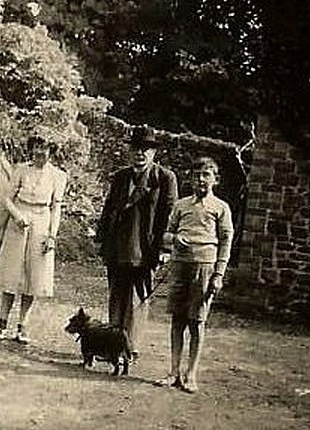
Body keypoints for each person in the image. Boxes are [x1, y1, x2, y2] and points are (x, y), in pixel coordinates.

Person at [95, 125, 178, 357]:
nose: (139, 153)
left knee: (136, 297)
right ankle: (113, 343)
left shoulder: (164, 178)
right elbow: (108, 208)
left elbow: (168, 215)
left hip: (144, 247)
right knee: (116, 294)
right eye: (135, 149)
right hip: (117, 245)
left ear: (154, 153)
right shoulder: (121, 176)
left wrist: (164, 248)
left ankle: (130, 346)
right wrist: (101, 239)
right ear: (129, 151)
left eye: (145, 149)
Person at [154, 157, 234, 393]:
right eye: (196, 175)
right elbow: (166, 234)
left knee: (197, 322)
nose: (200, 179)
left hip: (205, 268)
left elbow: (226, 243)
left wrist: (218, 274)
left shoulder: (221, 208)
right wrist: (174, 239)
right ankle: (173, 371)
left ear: (215, 180)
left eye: (206, 175)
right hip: (180, 266)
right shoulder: (180, 205)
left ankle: (191, 374)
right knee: (177, 319)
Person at [0, 132, 67, 344]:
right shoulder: (21, 170)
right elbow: (6, 198)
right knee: (12, 273)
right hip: (19, 222)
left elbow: (56, 208)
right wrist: (16, 215)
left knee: (34, 276)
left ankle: (22, 325)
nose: (39, 154)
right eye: (36, 149)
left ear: (51, 152)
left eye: (44, 150)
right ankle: (2, 322)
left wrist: (52, 236)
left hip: (42, 223)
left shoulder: (58, 176)